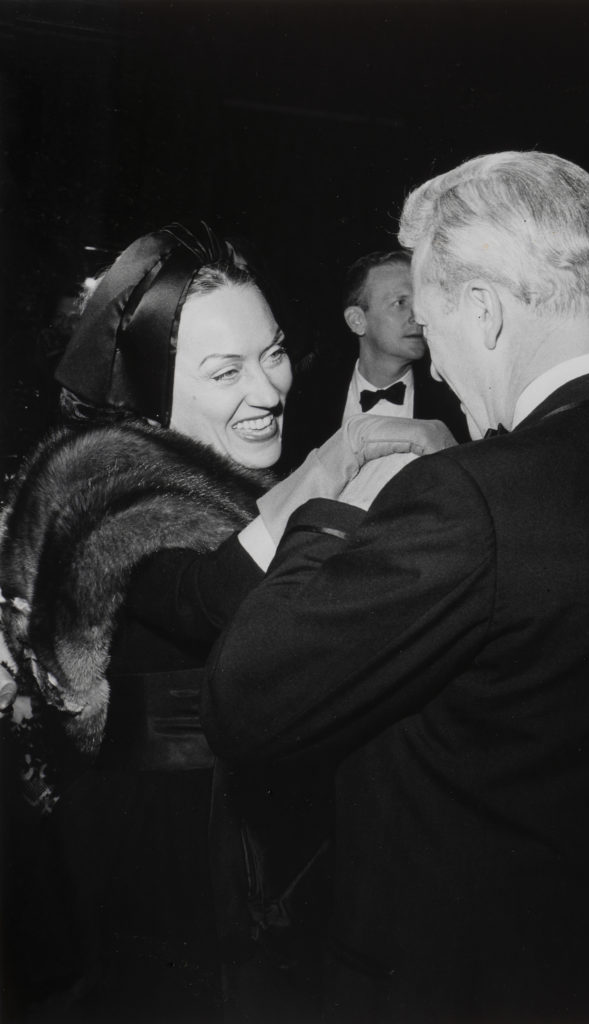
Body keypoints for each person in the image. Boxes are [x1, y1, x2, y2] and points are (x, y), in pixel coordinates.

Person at [200, 153, 589, 1023]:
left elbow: (246, 699)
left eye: (433, 326)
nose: (439, 371)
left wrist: (341, 499)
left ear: (482, 312)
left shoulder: (470, 498)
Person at [0, 222, 450, 1022]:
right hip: (164, 847)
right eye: (225, 371)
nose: (270, 389)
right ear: (150, 387)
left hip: (246, 822)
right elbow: (207, 596)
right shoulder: (99, 486)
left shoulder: (220, 466)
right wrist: (341, 459)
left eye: (273, 353)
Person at [278, 250, 469, 471]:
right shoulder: (307, 399)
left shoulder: (455, 399)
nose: (418, 315)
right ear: (357, 321)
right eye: (400, 302)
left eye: (419, 301)